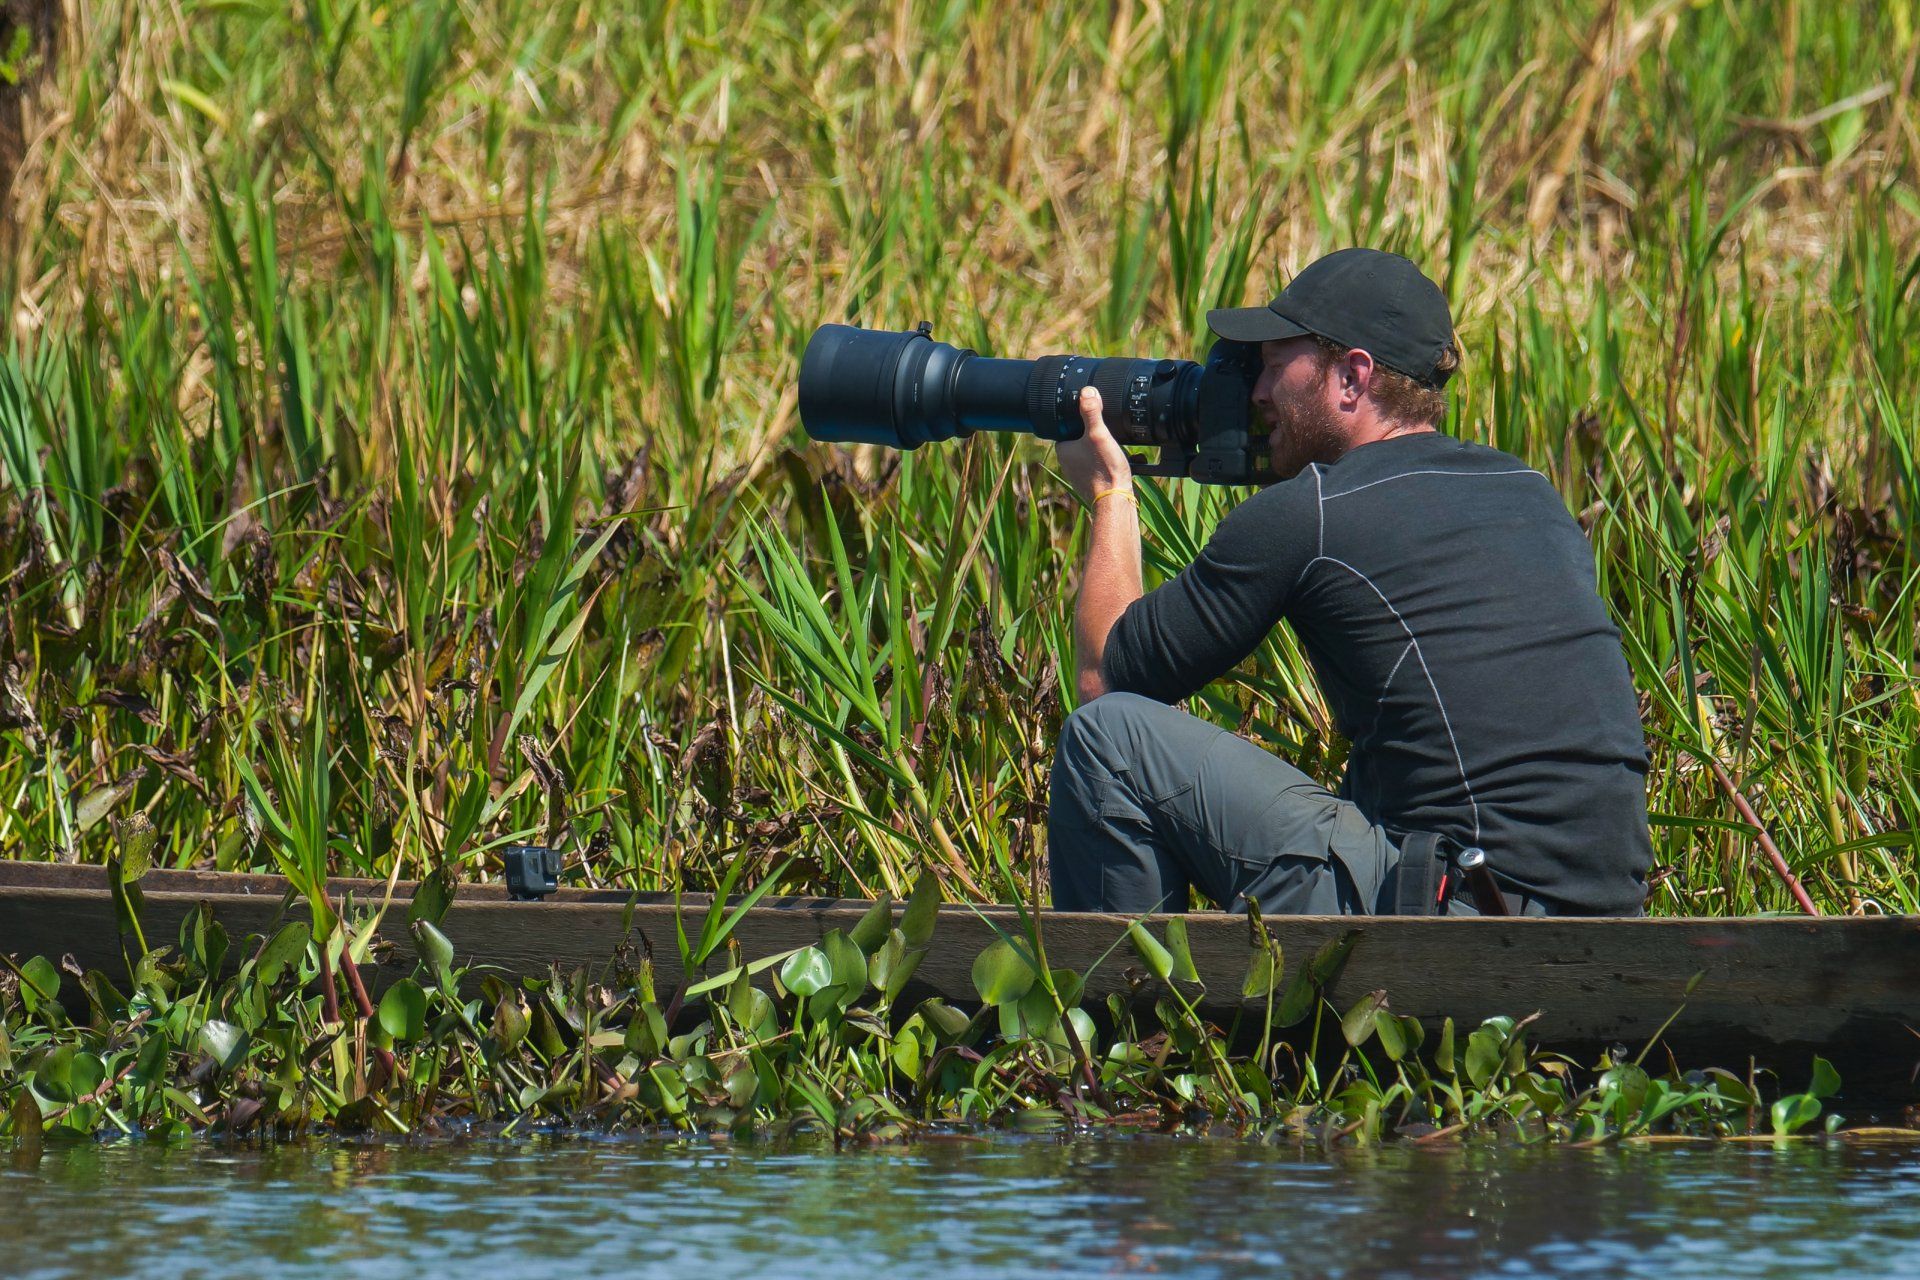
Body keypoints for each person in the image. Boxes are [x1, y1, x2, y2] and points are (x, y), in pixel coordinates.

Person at [1048, 247, 1653, 917]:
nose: (1256, 392)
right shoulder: (1529, 492)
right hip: (1599, 921)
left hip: (1473, 923)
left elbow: (1104, 678)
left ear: (1351, 378)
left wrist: (1111, 494)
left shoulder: (1314, 510)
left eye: (1276, 364)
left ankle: (1126, 1015)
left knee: (1107, 739)